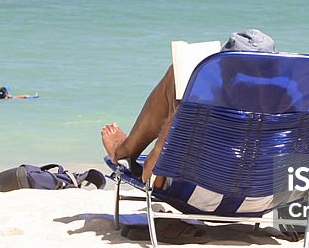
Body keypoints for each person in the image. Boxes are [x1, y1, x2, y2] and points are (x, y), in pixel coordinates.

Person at [101, 29, 276, 184]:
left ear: (221, 68)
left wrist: (180, 108)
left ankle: (124, 151)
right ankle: (126, 149)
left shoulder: (201, 106)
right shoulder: (289, 107)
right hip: (264, 194)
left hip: (200, 188)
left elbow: (150, 175)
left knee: (176, 76)